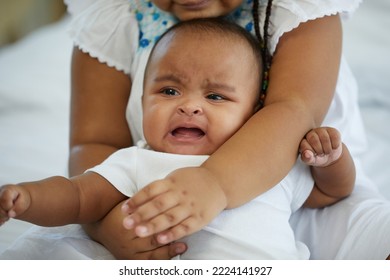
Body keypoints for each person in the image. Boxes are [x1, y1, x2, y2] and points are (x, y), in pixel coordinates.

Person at [9, 0, 386, 259]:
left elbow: (293, 111)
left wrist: (214, 184)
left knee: (373, 234)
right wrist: (110, 224)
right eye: (169, 91)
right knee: (47, 252)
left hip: (296, 183)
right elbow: (95, 144)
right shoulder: (116, 15)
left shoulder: (298, 10)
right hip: (144, 204)